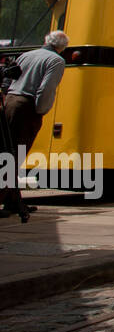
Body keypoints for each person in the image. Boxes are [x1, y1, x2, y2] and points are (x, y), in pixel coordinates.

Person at [1, 30, 70, 222]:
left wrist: (7, 99)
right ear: (62, 47)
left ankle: (13, 201)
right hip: (26, 107)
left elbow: (8, 78)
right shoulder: (56, 61)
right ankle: (5, 199)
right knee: (14, 155)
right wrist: (40, 111)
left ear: (45, 40)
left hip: (11, 102)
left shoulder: (26, 55)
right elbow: (46, 88)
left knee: (7, 151)